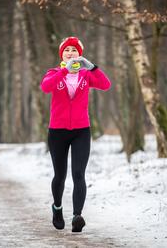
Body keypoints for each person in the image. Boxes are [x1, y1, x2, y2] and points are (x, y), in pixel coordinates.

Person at [40, 36, 111, 232]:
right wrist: (64, 70)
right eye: (67, 51)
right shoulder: (54, 72)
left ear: (80, 54)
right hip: (58, 131)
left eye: (74, 51)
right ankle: (57, 208)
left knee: (79, 174)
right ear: (61, 54)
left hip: (81, 130)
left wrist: (93, 67)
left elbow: (106, 85)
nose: (71, 54)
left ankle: (77, 216)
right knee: (60, 175)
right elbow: (45, 87)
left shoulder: (86, 76)